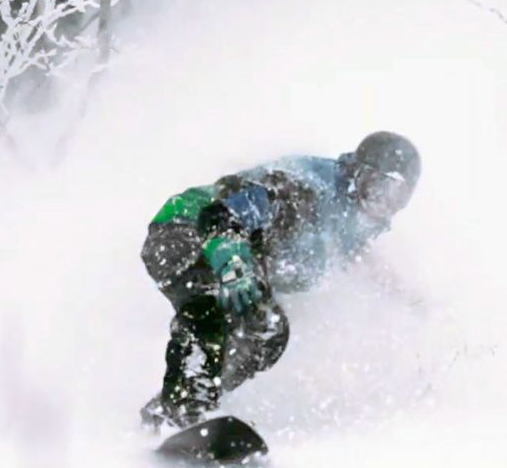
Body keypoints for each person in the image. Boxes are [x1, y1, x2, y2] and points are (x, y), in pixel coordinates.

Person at [139, 131, 421, 431]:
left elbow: (362, 260)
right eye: (379, 188)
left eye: (397, 197)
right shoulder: (303, 190)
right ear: (358, 173)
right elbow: (220, 216)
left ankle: (187, 402)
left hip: (227, 255)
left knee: (267, 330)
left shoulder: (350, 220)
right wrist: (233, 267)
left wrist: (411, 302)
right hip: (184, 230)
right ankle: (182, 408)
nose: (383, 204)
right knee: (216, 309)